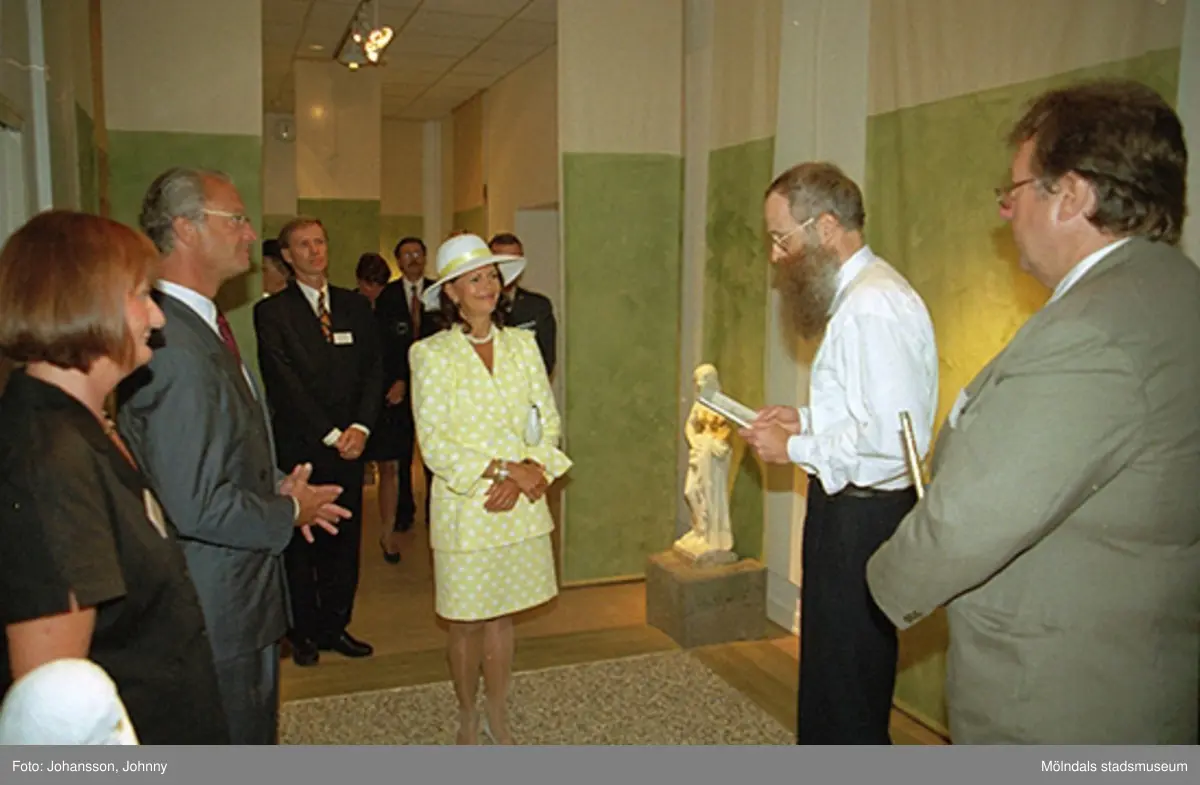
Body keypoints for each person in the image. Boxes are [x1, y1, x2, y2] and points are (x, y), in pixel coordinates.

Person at [867, 79, 1200, 744]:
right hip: (1141, 668)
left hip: (1059, 699)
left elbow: (969, 519)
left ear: (1071, 194)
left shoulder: (1092, 332)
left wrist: (878, 582)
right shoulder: (1174, 291)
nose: (1006, 211)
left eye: (1014, 191)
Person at [117, 168, 350, 744]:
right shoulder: (173, 345)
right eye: (237, 219)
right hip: (214, 607)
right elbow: (196, 503)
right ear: (186, 228)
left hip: (234, 598)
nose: (250, 234)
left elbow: (214, 452)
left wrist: (276, 484)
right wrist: (287, 512)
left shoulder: (199, 326)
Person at [0, 210, 228, 745]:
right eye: (142, 296)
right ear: (86, 302)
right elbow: (55, 720)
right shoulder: (48, 461)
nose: (158, 318)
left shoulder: (83, 428)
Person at [740, 162, 939, 744]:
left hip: (863, 519)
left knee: (847, 685)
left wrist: (795, 446)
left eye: (782, 239)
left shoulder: (873, 305)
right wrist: (804, 419)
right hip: (848, 511)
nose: (776, 256)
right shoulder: (860, 296)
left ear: (825, 227)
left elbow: (893, 441)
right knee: (831, 673)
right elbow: (865, 414)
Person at [410, 233, 572, 744]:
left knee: (501, 618)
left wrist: (530, 471)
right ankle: (466, 712)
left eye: (492, 276)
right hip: (468, 506)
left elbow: (548, 423)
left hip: (519, 505)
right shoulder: (430, 355)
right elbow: (435, 444)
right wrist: (505, 472)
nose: (487, 285)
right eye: (474, 278)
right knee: (466, 621)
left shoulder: (523, 345)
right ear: (450, 292)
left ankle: (496, 711)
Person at [254, 217, 384, 666]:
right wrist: (330, 434)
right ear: (287, 256)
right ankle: (303, 632)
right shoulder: (273, 313)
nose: (314, 251)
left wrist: (361, 428)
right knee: (303, 543)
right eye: (303, 245)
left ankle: (335, 625)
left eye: (320, 242)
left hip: (352, 445)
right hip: (303, 448)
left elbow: (374, 369)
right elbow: (283, 383)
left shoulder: (354, 306)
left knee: (344, 540)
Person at [374, 237, 439, 549]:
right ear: (398, 261)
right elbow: (383, 346)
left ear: (425, 257)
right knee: (399, 453)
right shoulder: (387, 297)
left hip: (434, 386)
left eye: (417, 253)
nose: (413, 259)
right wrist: (397, 379)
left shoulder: (440, 292)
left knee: (433, 451)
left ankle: (434, 509)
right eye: (406, 255)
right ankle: (403, 511)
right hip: (398, 387)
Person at [355, 252, 405, 562]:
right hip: (356, 399)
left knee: (390, 466)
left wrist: (401, 380)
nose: (372, 291)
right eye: (368, 284)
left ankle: (388, 533)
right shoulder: (347, 306)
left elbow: (404, 347)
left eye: (378, 285)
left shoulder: (393, 306)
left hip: (388, 396)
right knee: (354, 470)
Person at [488, 233, 557, 376]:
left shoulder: (538, 306)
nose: (509, 267)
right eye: (502, 261)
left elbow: (546, 363)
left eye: (515, 260)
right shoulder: (478, 305)